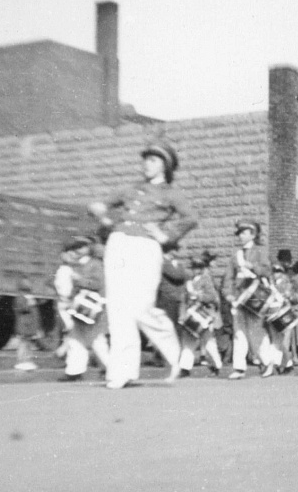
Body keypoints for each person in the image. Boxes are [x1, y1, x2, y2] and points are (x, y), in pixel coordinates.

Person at [87, 141, 196, 388]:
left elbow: (190, 218)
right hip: (119, 244)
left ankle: (173, 355)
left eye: (153, 160)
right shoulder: (130, 188)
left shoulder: (171, 193)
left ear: (165, 166)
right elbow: (101, 206)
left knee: (141, 307)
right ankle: (121, 372)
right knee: (117, 309)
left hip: (146, 247)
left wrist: (165, 235)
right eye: (145, 159)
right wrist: (101, 213)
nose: (147, 164)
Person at [224, 220, 278, 379]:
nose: (240, 236)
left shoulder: (260, 251)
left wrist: (252, 266)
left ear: (253, 234)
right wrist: (228, 293)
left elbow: (267, 270)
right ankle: (239, 368)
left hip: (255, 297)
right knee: (238, 332)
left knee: (256, 332)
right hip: (239, 298)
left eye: (244, 233)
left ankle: (268, 362)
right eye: (240, 233)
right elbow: (228, 277)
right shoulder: (236, 254)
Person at [55, 235, 110, 381]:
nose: (77, 250)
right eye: (74, 247)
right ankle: (75, 371)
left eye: (81, 246)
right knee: (77, 339)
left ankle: (109, 367)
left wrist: (79, 279)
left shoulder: (95, 264)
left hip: (92, 308)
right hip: (81, 308)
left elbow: (98, 284)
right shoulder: (79, 264)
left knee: (96, 339)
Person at [177, 250, 224, 378]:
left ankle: (217, 365)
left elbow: (212, 297)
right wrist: (182, 315)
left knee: (208, 342)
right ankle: (185, 368)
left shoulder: (206, 280)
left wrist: (198, 296)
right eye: (194, 267)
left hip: (204, 315)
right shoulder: (188, 282)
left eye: (198, 267)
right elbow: (183, 299)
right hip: (191, 315)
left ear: (202, 268)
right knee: (188, 342)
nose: (195, 270)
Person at [13, 277, 44, 372]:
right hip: (24, 325)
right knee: (23, 344)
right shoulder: (20, 298)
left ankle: (27, 361)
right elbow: (21, 308)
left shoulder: (29, 298)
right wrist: (29, 303)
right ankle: (21, 362)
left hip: (30, 325)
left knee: (28, 344)